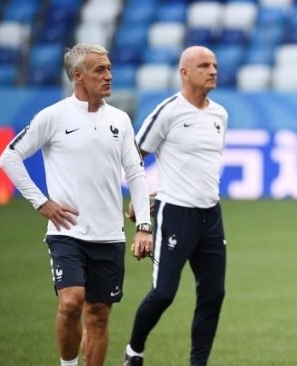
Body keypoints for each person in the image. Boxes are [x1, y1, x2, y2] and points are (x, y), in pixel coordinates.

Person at [0, 43, 153, 366]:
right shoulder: (53, 116)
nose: (109, 76)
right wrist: (41, 202)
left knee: (98, 315)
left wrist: (144, 226)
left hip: (109, 235)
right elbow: (8, 156)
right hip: (67, 232)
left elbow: (136, 173)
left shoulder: (120, 120)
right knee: (71, 303)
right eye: (101, 70)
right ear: (78, 76)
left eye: (109, 68)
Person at [123, 45, 228, 366]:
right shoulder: (167, 112)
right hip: (176, 213)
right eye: (203, 65)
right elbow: (134, 157)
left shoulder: (219, 114)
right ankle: (134, 351)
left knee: (213, 295)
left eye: (214, 65)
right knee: (164, 293)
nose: (212, 70)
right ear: (184, 72)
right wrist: (141, 206)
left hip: (211, 215)